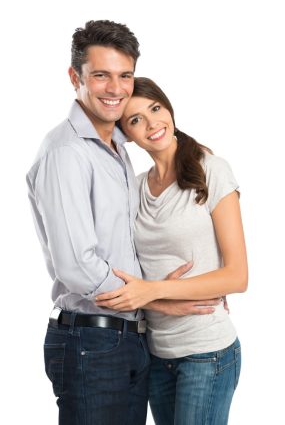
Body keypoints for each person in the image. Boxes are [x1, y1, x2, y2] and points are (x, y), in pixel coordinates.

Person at [26, 22, 221, 425]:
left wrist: (195, 153)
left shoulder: (111, 143)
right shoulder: (68, 153)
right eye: (100, 75)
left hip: (128, 340)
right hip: (91, 341)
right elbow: (78, 265)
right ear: (75, 77)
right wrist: (160, 299)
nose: (115, 89)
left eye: (125, 76)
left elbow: (152, 126)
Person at [96, 77, 248, 425]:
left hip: (206, 351)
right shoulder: (132, 189)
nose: (152, 124)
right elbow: (118, 272)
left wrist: (155, 289)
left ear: (168, 108)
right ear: (125, 134)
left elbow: (237, 276)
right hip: (153, 353)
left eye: (155, 109)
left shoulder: (213, 171)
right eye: (135, 119)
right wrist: (153, 300)